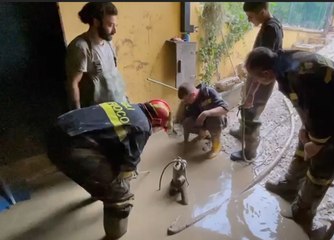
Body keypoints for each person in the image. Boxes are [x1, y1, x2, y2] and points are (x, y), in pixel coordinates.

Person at [244, 47, 334, 235]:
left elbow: (320, 113)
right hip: (331, 104)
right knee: (304, 141)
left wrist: (317, 143)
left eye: (256, 78)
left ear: (266, 73)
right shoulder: (283, 62)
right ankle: (290, 186)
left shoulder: (298, 75)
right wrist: (306, 132)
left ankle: (303, 212)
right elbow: (309, 105)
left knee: (323, 161)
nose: (257, 82)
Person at [47, 99, 172, 239]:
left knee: (108, 167)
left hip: (58, 130)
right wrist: (126, 175)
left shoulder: (127, 106)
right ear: (155, 121)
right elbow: (127, 167)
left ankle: (98, 190)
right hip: (69, 146)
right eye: (160, 128)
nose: (158, 131)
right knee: (119, 190)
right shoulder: (143, 127)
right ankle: (115, 234)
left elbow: (112, 139)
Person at [230, 2, 284, 161]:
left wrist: (252, 93)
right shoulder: (270, 24)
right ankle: (242, 130)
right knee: (247, 108)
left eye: (250, 16)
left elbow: (262, 67)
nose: (249, 20)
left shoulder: (271, 30)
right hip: (258, 77)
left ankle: (250, 151)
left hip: (261, 80)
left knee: (252, 113)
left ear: (262, 12)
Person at [65, 2, 128, 110]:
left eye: (115, 25)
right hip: (98, 112)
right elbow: (73, 83)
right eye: (110, 25)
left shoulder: (109, 43)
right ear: (96, 22)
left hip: (120, 106)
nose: (114, 31)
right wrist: (78, 114)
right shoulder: (81, 47)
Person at [175, 82, 229, 159]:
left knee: (214, 119)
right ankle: (201, 135)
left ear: (193, 95)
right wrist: (201, 129)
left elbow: (225, 108)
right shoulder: (190, 102)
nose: (185, 102)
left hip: (216, 121)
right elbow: (190, 117)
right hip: (203, 122)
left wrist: (206, 113)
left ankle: (216, 147)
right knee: (187, 123)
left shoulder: (208, 92)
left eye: (186, 100)